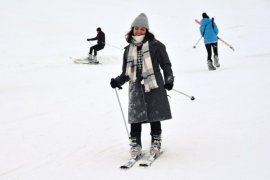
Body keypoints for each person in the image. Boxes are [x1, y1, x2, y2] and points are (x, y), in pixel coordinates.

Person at [110, 13, 174, 159]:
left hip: (153, 85)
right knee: (135, 116)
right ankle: (135, 145)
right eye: (136, 28)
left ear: (147, 31)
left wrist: (169, 80)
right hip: (136, 87)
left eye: (142, 29)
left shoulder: (157, 46)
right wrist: (117, 81)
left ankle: (156, 142)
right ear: (132, 29)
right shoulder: (128, 49)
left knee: (155, 114)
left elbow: (166, 65)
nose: (138, 31)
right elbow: (126, 73)